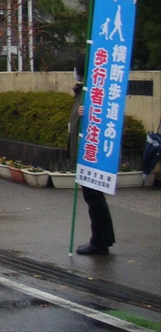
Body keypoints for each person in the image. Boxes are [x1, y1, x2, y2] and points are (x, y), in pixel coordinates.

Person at [68, 52, 115, 255]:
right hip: (84, 152)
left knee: (94, 197)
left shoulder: (92, 93)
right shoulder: (82, 92)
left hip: (91, 153)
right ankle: (102, 238)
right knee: (93, 197)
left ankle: (100, 241)